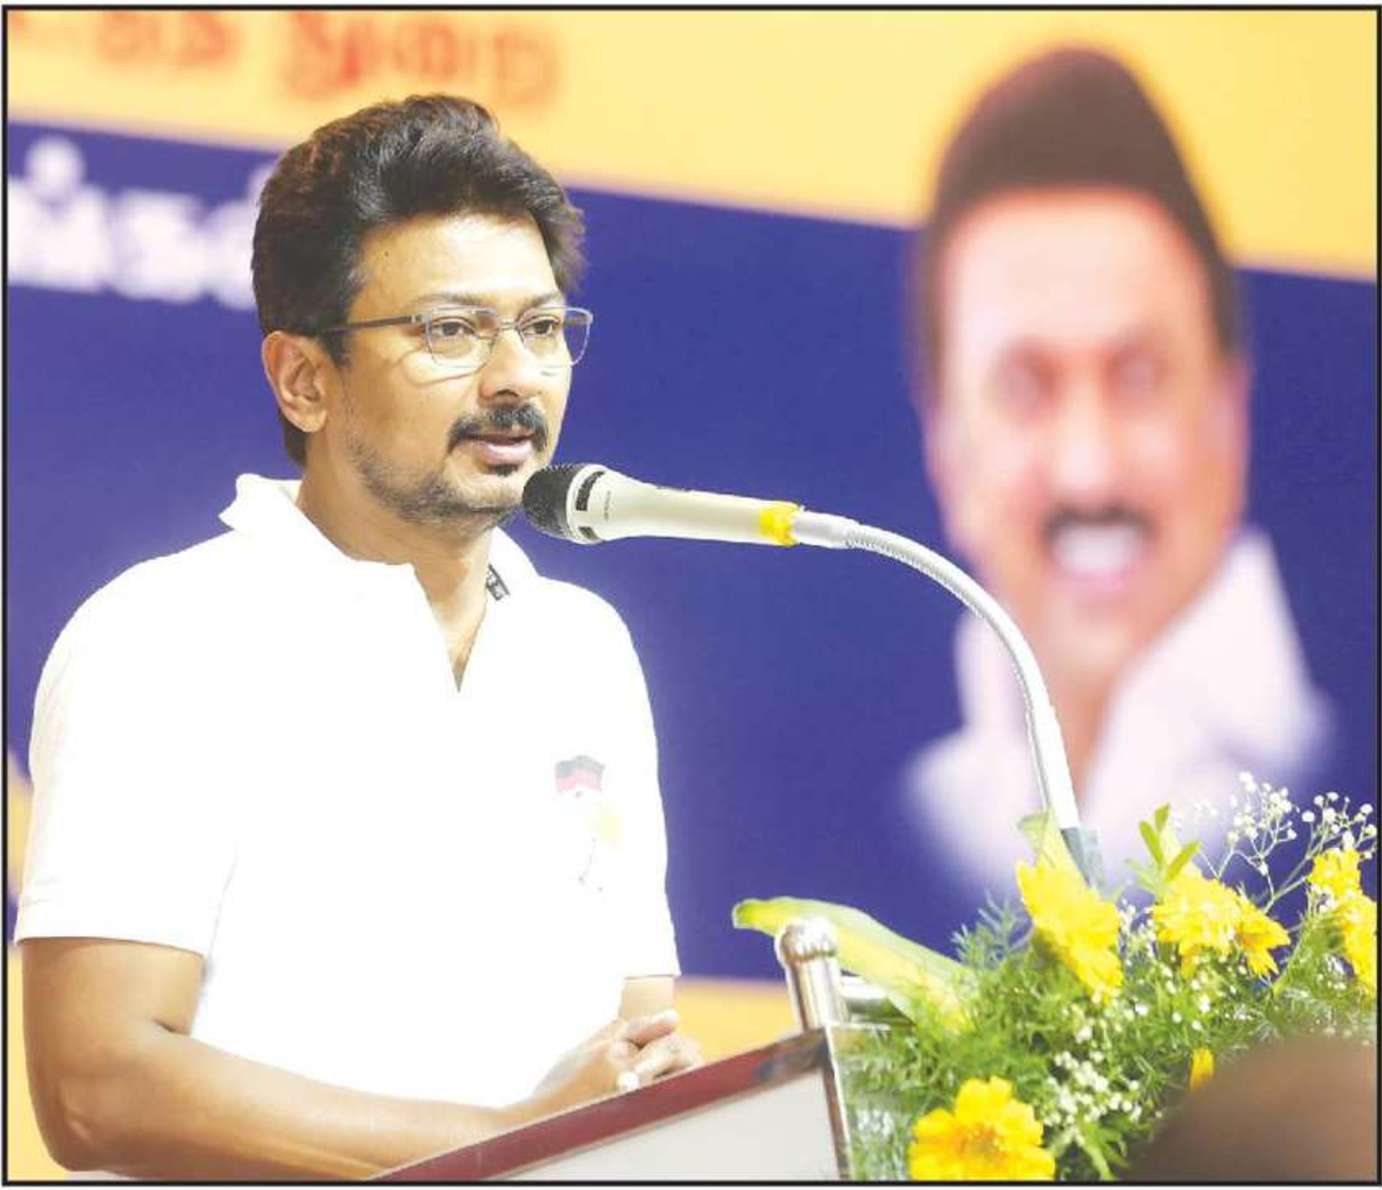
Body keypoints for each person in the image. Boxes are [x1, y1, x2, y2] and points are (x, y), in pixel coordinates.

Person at [16, 94, 698, 1180]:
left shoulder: (586, 649)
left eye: (539, 327)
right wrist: (511, 1145)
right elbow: (98, 1086)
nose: (514, 377)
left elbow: (633, 1041)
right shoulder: (164, 637)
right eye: (449, 331)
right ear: (305, 378)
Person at [905, 48, 1333, 894]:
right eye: (1024, 388)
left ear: (1229, 417)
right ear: (946, 450)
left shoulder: (1326, 783)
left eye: (1138, 378)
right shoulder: (935, 807)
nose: (1088, 472)